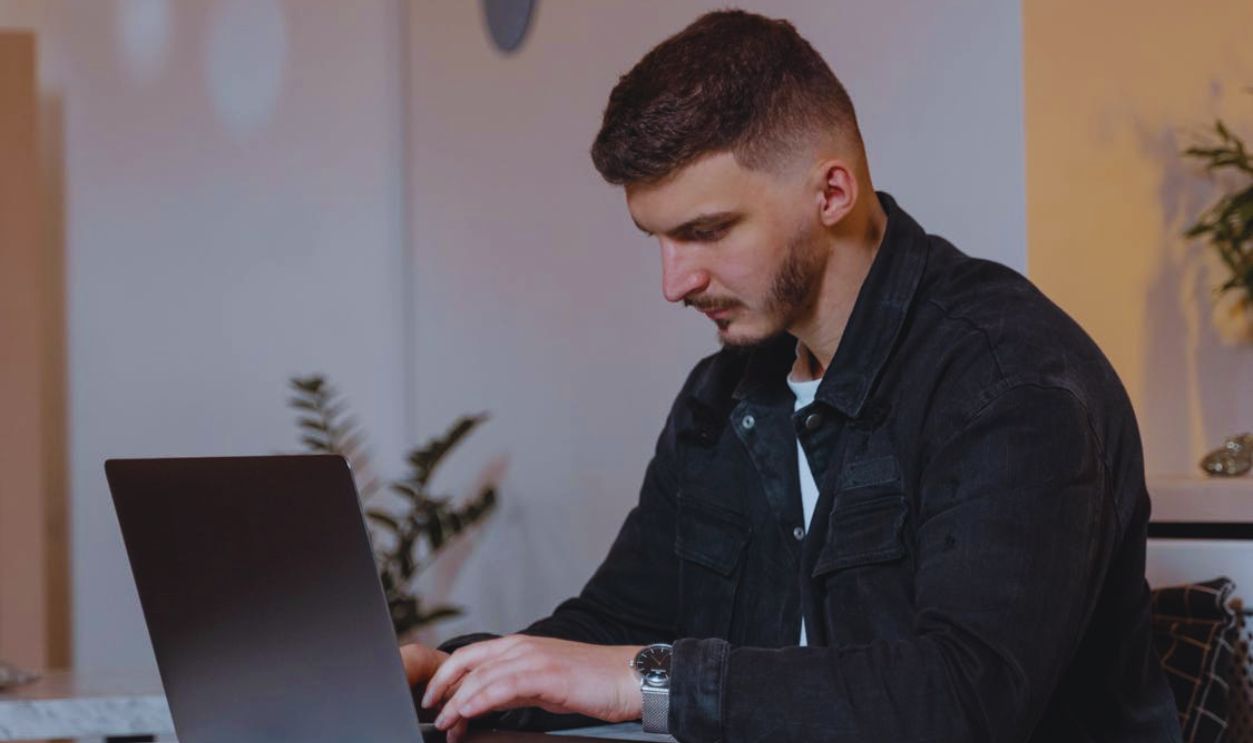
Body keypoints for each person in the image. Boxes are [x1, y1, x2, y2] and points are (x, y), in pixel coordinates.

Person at [401, 9, 1182, 742]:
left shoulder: (1009, 383)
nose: (673, 282)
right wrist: (459, 674)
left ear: (831, 192)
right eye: (658, 238)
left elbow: (964, 694)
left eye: (705, 231)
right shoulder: (722, 398)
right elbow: (616, 623)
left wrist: (650, 678)